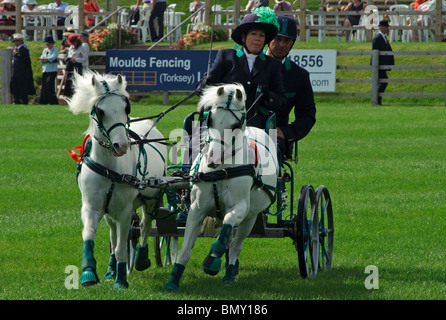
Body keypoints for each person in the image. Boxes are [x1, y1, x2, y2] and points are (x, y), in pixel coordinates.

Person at [206, 7, 286, 130]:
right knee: (194, 143)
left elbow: (281, 100)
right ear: (243, 37)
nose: (257, 39)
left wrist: (265, 95)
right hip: (224, 121)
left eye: (261, 35)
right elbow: (208, 86)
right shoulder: (226, 56)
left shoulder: (273, 65)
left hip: (257, 125)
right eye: (253, 34)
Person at [266, 16, 316, 158]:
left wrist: (286, 132)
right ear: (269, 39)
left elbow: (308, 114)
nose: (282, 45)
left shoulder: (299, 76)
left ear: (292, 43)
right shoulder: (251, 66)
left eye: (287, 41)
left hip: (274, 139)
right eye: (278, 39)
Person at [371, 20, 394, 105]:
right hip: (378, 64)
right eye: (386, 27)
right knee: (383, 81)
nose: (388, 29)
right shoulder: (378, 38)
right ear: (381, 28)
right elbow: (375, 52)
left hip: (382, 64)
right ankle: (377, 99)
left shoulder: (384, 38)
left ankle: (377, 100)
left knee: (382, 81)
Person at [10, 33, 35, 104]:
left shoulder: (24, 49)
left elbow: (26, 61)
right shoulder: (16, 49)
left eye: (16, 41)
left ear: (20, 41)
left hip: (22, 72)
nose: (14, 43)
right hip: (15, 71)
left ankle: (24, 100)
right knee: (15, 86)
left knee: (22, 87)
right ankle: (16, 99)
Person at [38, 35, 59, 105]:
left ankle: (52, 101)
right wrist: (43, 60)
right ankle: (44, 101)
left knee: (49, 84)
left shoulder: (55, 50)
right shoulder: (45, 50)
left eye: (48, 43)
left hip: (52, 70)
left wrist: (46, 59)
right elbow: (42, 57)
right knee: (44, 85)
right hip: (45, 70)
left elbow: (52, 57)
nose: (47, 45)